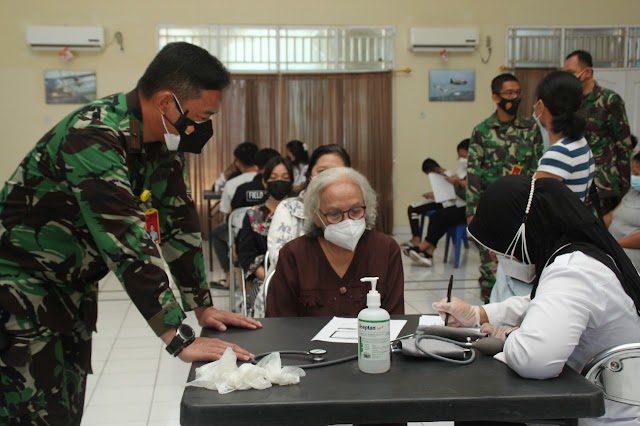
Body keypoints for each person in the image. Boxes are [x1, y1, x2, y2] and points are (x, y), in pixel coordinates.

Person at [0, 42, 262, 425]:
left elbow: (178, 221)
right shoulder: (92, 136)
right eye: (203, 116)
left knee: (63, 403)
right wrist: (177, 335)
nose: (204, 128)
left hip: (68, 294)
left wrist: (202, 304)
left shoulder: (158, 143)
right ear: (166, 102)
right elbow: (126, 240)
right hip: (21, 296)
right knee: (29, 411)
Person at [433, 175, 640, 425]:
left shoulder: (572, 270)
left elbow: (535, 361)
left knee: (477, 409)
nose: (496, 256)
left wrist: (506, 336)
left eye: (498, 248)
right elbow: (544, 303)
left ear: (521, 233)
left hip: (607, 415)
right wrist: (476, 314)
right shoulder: (581, 254)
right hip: (597, 399)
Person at [491, 70, 597, 302]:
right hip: (567, 238)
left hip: (549, 246)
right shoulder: (580, 143)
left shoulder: (559, 154)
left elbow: (535, 212)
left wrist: (504, 244)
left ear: (543, 107)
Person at [266, 167, 404, 317]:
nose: (348, 221)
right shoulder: (294, 254)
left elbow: (396, 319)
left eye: (356, 211)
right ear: (316, 216)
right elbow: (278, 322)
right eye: (334, 214)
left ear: (367, 207)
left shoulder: (385, 249)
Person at [467, 73, 543, 302]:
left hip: (523, 215)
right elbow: (473, 174)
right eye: (509, 93)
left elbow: (539, 170)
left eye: (518, 93)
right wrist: (472, 213)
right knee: (490, 272)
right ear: (495, 97)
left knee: (525, 273)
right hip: (491, 213)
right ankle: (488, 318)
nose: (515, 97)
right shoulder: (482, 131)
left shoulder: (530, 128)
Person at [563, 50, 634, 215]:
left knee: (599, 234)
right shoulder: (570, 103)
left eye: (571, 73)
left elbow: (623, 144)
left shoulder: (609, 100)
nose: (567, 79)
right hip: (575, 182)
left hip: (603, 184)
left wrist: (623, 188)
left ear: (586, 72)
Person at [267, 144, 351, 268]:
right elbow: (280, 260)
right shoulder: (288, 209)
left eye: (336, 172)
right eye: (322, 171)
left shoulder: (355, 211)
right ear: (309, 176)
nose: (328, 178)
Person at [237, 156, 294, 316]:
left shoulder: (302, 213)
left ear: (292, 182)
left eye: (285, 178)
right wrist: (272, 278)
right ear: (265, 181)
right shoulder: (253, 215)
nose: (279, 182)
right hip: (265, 279)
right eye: (274, 177)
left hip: (299, 280)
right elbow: (247, 255)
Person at [404, 140, 469, 267]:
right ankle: (429, 253)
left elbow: (473, 191)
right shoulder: (463, 170)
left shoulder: (477, 170)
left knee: (438, 217)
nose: (460, 159)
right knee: (439, 218)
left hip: (469, 208)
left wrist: (457, 183)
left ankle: (422, 247)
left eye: (463, 156)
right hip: (459, 204)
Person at [210, 141, 259, 289]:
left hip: (240, 233)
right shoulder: (265, 180)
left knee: (216, 233)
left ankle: (228, 276)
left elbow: (226, 213)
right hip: (264, 230)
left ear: (237, 163)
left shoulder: (232, 184)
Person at [604, 151, 640, 271]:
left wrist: (614, 245)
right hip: (611, 248)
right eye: (633, 172)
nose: (634, 177)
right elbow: (611, 215)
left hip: (628, 255)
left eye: (637, 173)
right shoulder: (633, 193)